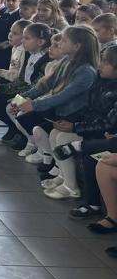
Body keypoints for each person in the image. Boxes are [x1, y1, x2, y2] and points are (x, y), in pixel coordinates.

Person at [12, 26, 99, 172]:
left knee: (39, 124)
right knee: (25, 118)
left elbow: (64, 96)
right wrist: (21, 98)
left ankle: (56, 166)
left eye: (64, 41)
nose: (59, 43)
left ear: (77, 46)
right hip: (62, 111)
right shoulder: (66, 61)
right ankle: (48, 158)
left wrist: (34, 105)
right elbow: (44, 85)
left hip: (75, 116)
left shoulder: (86, 72)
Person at [43, 45, 117, 200]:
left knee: (63, 138)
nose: (100, 64)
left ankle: (71, 186)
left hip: (102, 133)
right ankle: (63, 176)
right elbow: (89, 109)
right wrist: (72, 123)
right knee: (56, 132)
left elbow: (109, 124)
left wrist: (75, 127)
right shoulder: (100, 81)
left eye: (105, 62)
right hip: (92, 128)